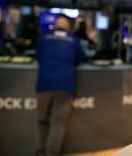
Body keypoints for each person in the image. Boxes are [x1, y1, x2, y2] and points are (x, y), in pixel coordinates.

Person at [35, 15, 85, 156]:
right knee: (58, 123)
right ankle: (52, 153)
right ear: (68, 27)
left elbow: (38, 56)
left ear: (55, 25)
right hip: (65, 85)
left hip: (43, 84)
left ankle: (40, 151)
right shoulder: (73, 40)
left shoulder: (44, 38)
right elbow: (80, 58)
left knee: (42, 120)